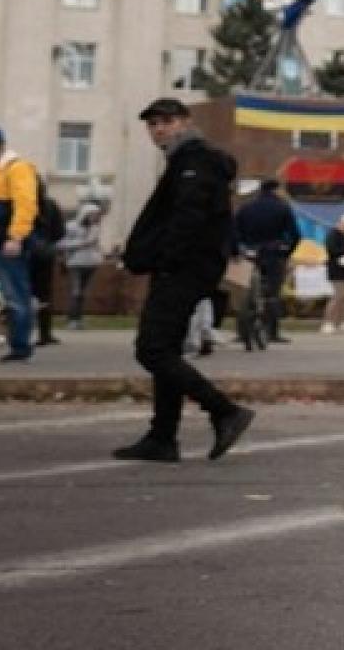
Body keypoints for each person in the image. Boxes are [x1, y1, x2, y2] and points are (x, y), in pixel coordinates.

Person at [113, 98, 254, 462]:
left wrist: (168, 259)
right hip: (185, 267)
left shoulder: (196, 161)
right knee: (167, 348)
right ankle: (162, 437)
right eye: (153, 124)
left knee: (152, 348)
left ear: (186, 122)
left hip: (184, 268)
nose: (159, 129)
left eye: (167, 121)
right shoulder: (183, 161)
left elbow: (189, 217)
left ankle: (224, 411)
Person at [234, 178, 299, 345]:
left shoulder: (246, 207)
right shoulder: (282, 208)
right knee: (272, 294)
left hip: (249, 254)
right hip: (273, 254)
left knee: (244, 291)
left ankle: (242, 331)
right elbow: (295, 234)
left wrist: (239, 249)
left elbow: (234, 231)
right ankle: (272, 332)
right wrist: (286, 252)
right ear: (276, 190)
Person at [0, 126, 41, 362]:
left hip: (7, 243)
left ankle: (20, 346)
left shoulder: (16, 168)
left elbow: (26, 204)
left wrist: (16, 237)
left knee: (15, 295)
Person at [27, 174, 64, 346]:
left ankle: (19, 333)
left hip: (23, 253)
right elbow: (60, 231)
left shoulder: (21, 203)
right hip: (45, 254)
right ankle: (45, 333)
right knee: (44, 294)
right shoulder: (51, 204)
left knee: (20, 293)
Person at [57, 202, 104, 330]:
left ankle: (78, 318)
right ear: (85, 214)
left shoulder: (95, 228)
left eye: (97, 215)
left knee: (83, 293)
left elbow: (94, 244)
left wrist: (97, 253)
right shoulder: (71, 226)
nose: (95, 218)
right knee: (76, 292)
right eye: (93, 215)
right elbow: (61, 243)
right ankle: (72, 319)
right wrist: (81, 243)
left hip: (91, 263)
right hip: (75, 263)